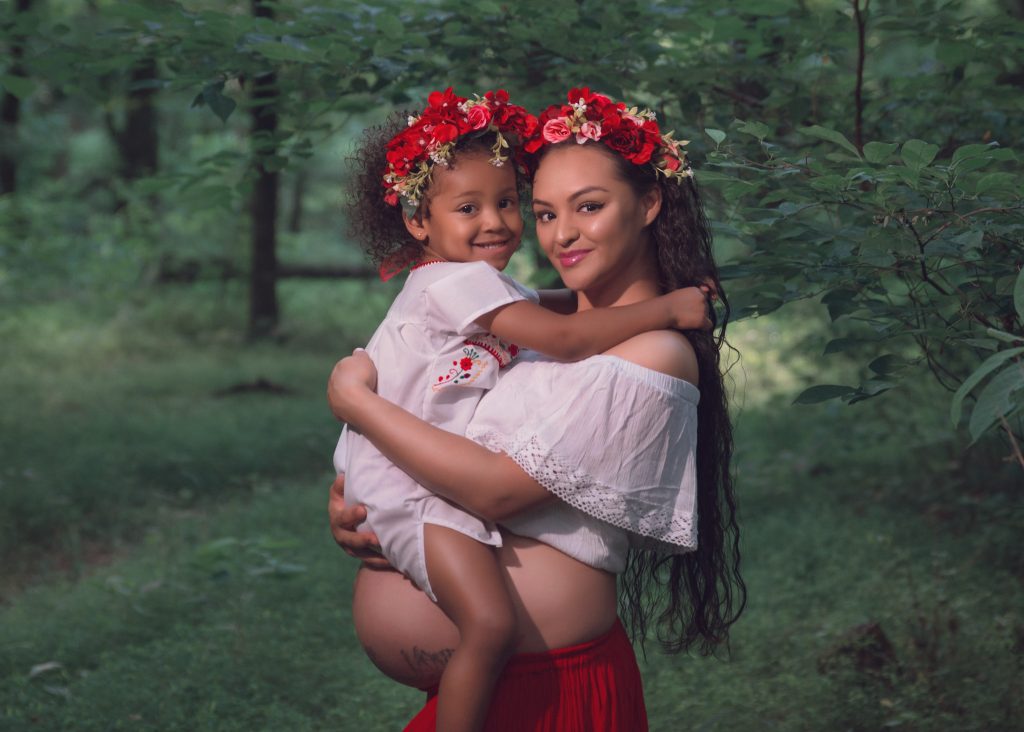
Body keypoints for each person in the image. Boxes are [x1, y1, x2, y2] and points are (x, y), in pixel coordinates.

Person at [329, 87, 745, 731]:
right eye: (546, 213)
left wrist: (357, 403)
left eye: (589, 206)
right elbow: (453, 438)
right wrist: (363, 504)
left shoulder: (651, 352)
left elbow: (494, 491)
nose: (562, 233)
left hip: (549, 691)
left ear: (650, 202)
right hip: (490, 689)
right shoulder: (517, 333)